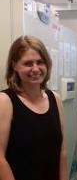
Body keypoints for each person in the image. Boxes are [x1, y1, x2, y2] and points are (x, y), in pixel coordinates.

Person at [0, 35, 67, 180]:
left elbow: (61, 150)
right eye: (28, 63)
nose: (35, 69)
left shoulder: (55, 99)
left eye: (40, 62)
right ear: (14, 65)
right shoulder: (5, 101)